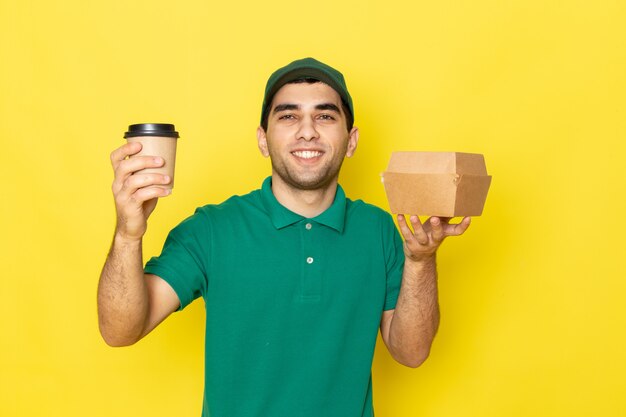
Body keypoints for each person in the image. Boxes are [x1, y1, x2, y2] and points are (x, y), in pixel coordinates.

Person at [98, 57, 471, 417]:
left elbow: (412, 352)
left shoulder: (380, 230)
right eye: (288, 116)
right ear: (263, 139)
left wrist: (421, 261)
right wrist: (129, 235)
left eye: (324, 116)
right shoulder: (212, 229)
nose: (307, 130)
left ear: (351, 140)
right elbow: (120, 330)